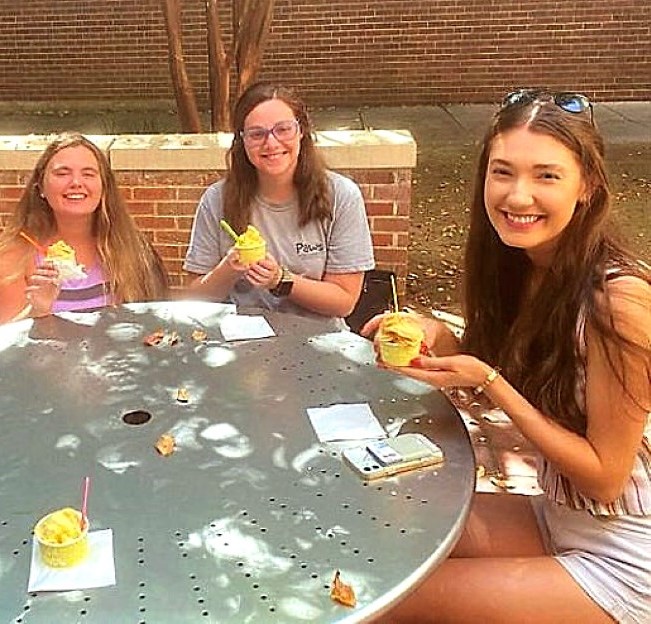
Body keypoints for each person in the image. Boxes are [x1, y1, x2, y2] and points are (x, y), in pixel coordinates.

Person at [364, 90, 650, 623]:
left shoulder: (620, 301)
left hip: (625, 556)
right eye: (503, 172)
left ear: (587, 185)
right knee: (386, 534)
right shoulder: (524, 269)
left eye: (546, 175)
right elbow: (485, 363)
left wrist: (491, 381)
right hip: (559, 517)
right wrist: (433, 340)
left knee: (395, 599)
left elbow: (605, 477)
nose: (519, 196)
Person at [183, 81, 375, 325]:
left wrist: (282, 280)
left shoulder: (341, 196)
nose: (271, 143)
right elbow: (196, 298)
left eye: (283, 129)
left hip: (318, 342)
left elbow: (344, 301)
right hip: (238, 341)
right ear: (242, 141)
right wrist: (228, 269)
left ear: (301, 131)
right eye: (257, 134)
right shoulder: (216, 200)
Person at [0, 133, 168, 323]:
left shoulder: (132, 248)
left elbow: (154, 325)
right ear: (40, 188)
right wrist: (37, 311)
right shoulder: (14, 257)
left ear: (104, 187)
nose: (76, 183)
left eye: (88, 174)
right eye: (62, 173)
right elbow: (7, 343)